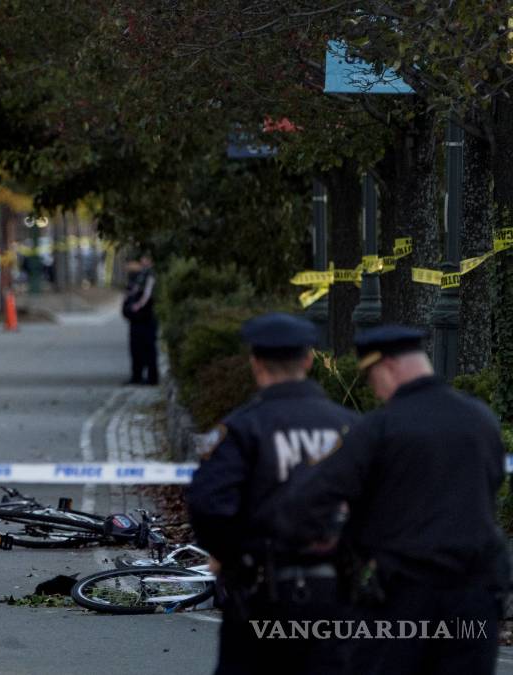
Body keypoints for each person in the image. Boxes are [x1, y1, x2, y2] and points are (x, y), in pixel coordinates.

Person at [274, 325, 508, 675]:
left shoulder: (378, 428)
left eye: (371, 380)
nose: (376, 391)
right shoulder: (481, 419)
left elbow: (311, 497)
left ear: (387, 366)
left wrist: (325, 544)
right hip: (476, 593)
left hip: (403, 597)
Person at [187, 312, 359, 675]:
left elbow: (208, 504)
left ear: (256, 363)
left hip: (262, 593)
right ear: (309, 360)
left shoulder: (243, 427)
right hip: (338, 595)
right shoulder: (351, 426)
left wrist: (231, 556)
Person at [122, 253, 158, 385]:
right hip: (136, 319)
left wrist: (136, 307)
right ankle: (137, 375)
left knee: (148, 349)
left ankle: (151, 377)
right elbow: (130, 292)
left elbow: (147, 295)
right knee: (136, 349)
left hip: (146, 318)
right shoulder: (138, 276)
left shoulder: (150, 275)